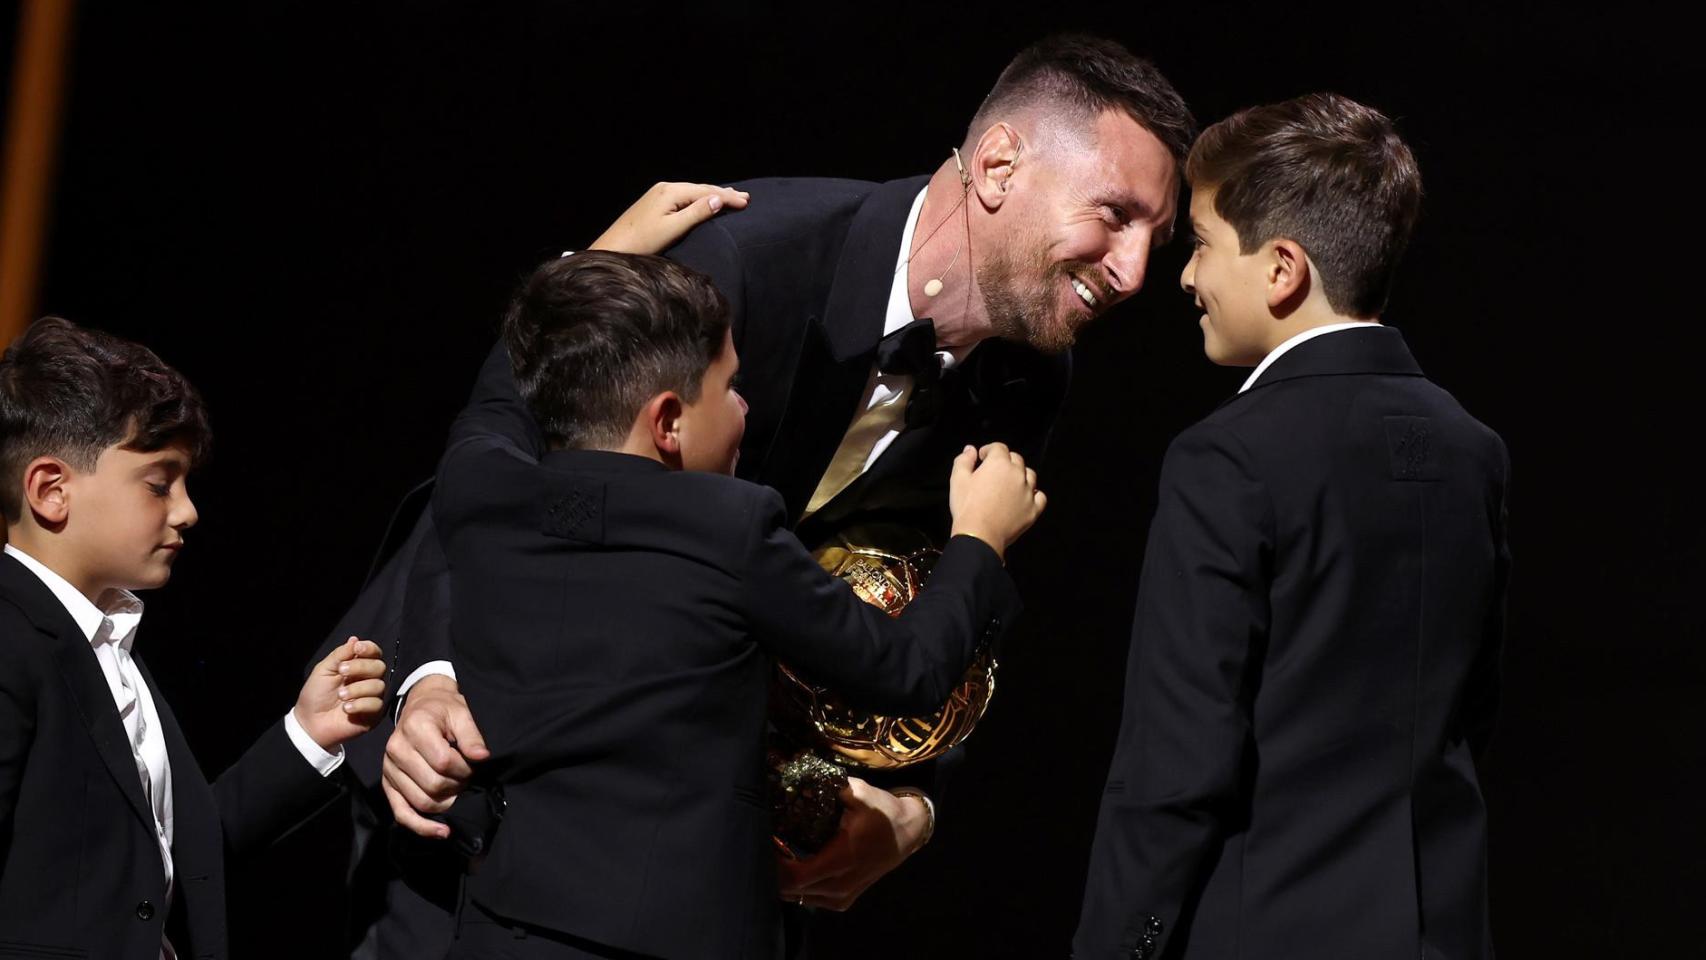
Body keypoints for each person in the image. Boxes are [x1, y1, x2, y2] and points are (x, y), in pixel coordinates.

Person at [376, 35, 1197, 936]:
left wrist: (911, 808)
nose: (1134, 272)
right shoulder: (738, 260)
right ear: (998, 165)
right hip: (484, 805)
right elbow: (502, 462)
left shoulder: (1033, 374)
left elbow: (952, 596)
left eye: (1155, 237)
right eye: (1114, 215)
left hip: (701, 853)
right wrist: (432, 679)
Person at [438, 250, 1042, 958]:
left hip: (500, 930)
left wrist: (595, 259)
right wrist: (978, 537)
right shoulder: (727, 526)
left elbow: (496, 400)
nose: (747, 407)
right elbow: (905, 674)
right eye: (730, 388)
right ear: (667, 422)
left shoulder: (478, 487)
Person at [1073, 93, 1510, 960]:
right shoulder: (1474, 450)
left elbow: (1177, 764)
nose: (1186, 278)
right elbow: (1470, 711)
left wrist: (1121, 946)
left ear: (1281, 269)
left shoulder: (1226, 459)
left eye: (1199, 246)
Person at [0, 317, 389, 960]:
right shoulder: (14, 640)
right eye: (159, 483)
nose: (187, 510)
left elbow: (166, 867)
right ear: (51, 489)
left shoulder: (107, 645)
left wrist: (307, 734)